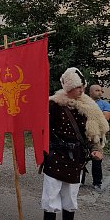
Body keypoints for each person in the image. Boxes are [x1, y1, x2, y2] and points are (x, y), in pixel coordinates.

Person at [42, 68, 109, 220]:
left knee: (70, 199)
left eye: (83, 87)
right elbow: (42, 130)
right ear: (69, 87)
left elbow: (92, 133)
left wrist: (96, 148)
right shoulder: (53, 105)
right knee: (51, 198)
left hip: (76, 159)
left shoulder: (88, 107)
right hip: (55, 157)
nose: (81, 90)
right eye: (78, 87)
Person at [88, 84, 110, 190]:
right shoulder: (84, 101)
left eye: (101, 90)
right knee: (79, 158)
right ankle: (78, 180)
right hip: (84, 134)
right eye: (97, 90)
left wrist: (88, 114)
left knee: (97, 159)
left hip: (98, 136)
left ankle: (97, 182)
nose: (100, 92)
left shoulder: (105, 104)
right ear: (91, 92)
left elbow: (105, 118)